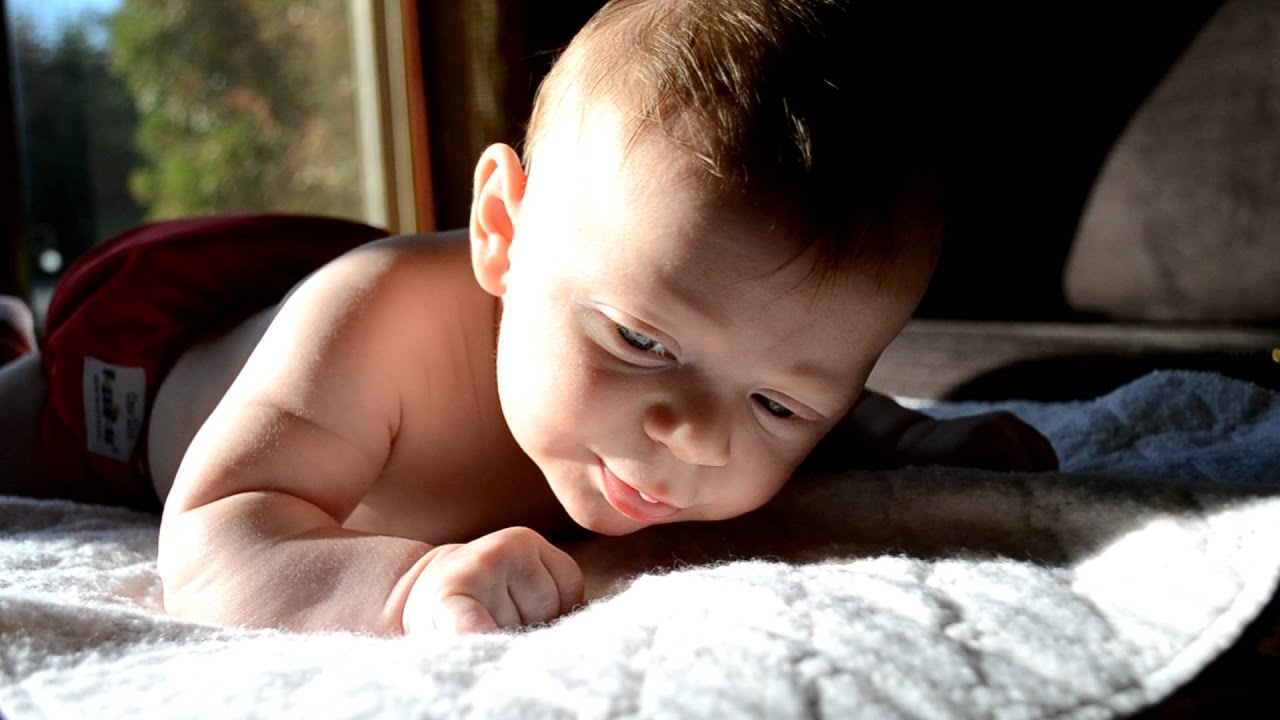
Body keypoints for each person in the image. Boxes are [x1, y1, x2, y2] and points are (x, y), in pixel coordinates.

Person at [0, 0, 1056, 637]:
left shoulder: (739, 371)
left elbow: (847, 410)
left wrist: (915, 439)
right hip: (140, 376)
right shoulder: (379, 330)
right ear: (503, 230)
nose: (691, 436)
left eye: (779, 404)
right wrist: (406, 587)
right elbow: (212, 541)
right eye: (640, 341)